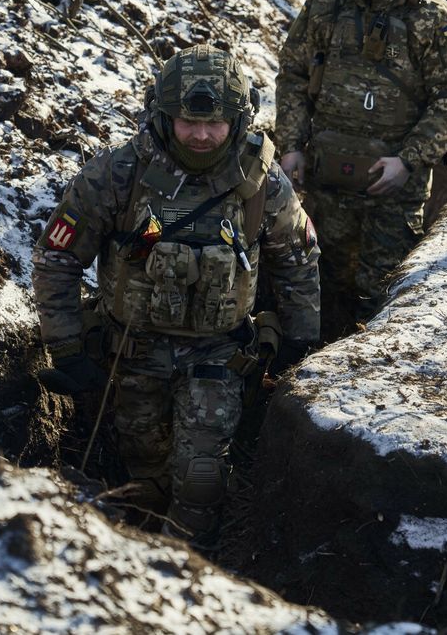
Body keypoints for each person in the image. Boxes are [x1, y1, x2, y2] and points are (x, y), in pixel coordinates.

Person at [32, 44, 320, 548]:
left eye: (216, 124)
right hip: (132, 353)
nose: (203, 136)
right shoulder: (118, 176)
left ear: (238, 118)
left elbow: (297, 263)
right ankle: (141, 562)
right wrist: (67, 348)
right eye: (188, 123)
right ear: (163, 116)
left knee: (201, 477)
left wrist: (300, 344)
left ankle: (193, 573)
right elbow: (57, 259)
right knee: (144, 472)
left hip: (219, 356)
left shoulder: (261, 183)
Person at [275, 0, 447, 338]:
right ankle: (308, 370)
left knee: (381, 288)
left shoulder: (433, 18)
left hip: (393, 185)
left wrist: (407, 159)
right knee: (321, 278)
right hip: (327, 176)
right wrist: (291, 145)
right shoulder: (324, 8)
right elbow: (292, 74)